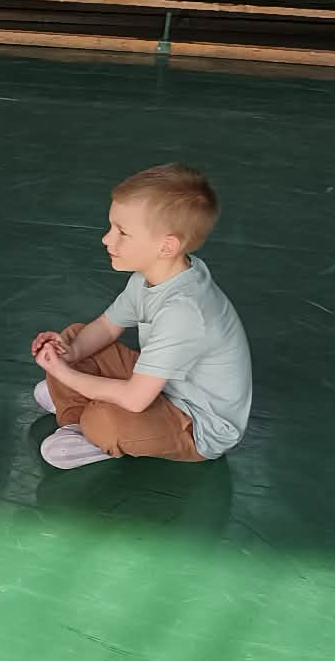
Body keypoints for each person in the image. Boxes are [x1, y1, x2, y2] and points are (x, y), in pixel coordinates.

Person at [29, 165, 252, 470]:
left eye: (122, 232)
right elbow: (107, 327)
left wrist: (65, 375)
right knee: (76, 336)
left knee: (103, 420)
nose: (107, 239)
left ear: (166, 246)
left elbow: (135, 399)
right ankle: (76, 419)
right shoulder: (152, 278)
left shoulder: (184, 311)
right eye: (111, 227)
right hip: (165, 385)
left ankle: (91, 428)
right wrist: (69, 354)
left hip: (197, 424)